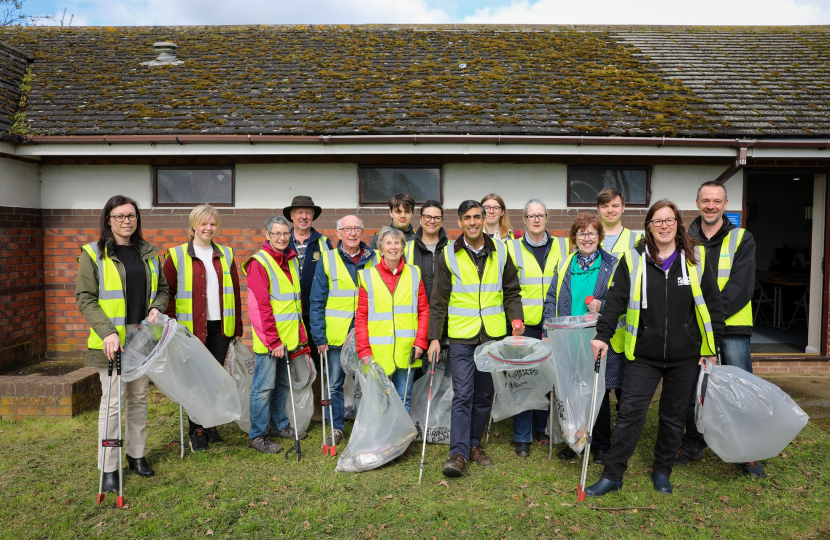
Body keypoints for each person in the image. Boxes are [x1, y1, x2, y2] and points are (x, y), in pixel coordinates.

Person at [585, 199, 725, 497]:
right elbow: (615, 302)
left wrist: (711, 346)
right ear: (648, 226)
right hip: (643, 356)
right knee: (630, 415)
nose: (664, 225)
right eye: (657, 221)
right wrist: (602, 336)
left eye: (669, 220)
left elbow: (712, 305)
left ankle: (662, 470)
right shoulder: (633, 259)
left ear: (677, 224)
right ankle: (613, 474)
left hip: (685, 356)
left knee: (672, 417)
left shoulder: (695, 258)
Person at [76, 195, 169, 493]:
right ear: (108, 220)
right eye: (119, 216)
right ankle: (109, 467)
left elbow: (163, 290)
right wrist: (107, 332)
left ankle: (136, 455)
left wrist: (157, 307)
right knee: (113, 402)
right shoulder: (93, 254)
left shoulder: (150, 253)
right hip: (111, 338)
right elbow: (85, 298)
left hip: (142, 336)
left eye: (131, 215)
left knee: (139, 398)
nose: (126, 221)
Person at [428, 200, 524, 478]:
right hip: (460, 337)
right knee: (463, 394)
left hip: (492, 335)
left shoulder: (502, 252)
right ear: (459, 222)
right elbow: (438, 302)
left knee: (484, 395)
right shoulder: (448, 255)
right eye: (467, 218)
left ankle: (473, 445)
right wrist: (435, 338)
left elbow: (512, 291)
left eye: (477, 217)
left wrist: (516, 317)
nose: (472, 222)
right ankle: (457, 454)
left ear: (484, 220)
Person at [677, 181, 763, 478]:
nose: (711, 205)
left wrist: (712, 322)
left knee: (741, 389)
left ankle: (749, 453)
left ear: (726, 204)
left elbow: (741, 287)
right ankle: (692, 444)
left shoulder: (742, 238)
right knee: (693, 389)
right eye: (705, 200)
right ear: (697, 203)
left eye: (717, 201)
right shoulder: (684, 239)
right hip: (695, 328)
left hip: (733, 327)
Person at [163, 204, 243, 451]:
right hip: (190, 330)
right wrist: (171, 329)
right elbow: (167, 294)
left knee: (215, 379)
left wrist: (237, 326)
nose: (208, 228)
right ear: (193, 225)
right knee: (194, 381)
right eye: (203, 223)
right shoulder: (176, 255)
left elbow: (235, 292)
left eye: (213, 223)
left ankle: (211, 426)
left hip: (220, 327)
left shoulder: (226, 254)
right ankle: (196, 429)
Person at [540, 212, 617, 463]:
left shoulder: (612, 265)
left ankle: (601, 445)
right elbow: (551, 299)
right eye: (582, 233)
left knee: (597, 391)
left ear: (599, 236)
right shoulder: (564, 264)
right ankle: (574, 441)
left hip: (597, 339)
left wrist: (601, 305)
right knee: (570, 391)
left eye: (592, 233)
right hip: (567, 340)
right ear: (574, 237)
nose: (586, 238)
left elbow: (621, 301)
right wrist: (547, 332)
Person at [505, 199, 570, 457]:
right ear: (524, 219)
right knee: (523, 381)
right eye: (531, 216)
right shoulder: (512, 247)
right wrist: (515, 321)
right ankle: (522, 437)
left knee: (546, 379)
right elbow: (509, 288)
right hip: (524, 325)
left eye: (540, 215)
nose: (536, 219)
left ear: (546, 218)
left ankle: (540, 429)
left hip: (553, 324)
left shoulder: (563, 246)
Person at [242, 215, 309, 454]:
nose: (282, 238)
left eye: (285, 233)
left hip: (288, 339)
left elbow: (292, 303)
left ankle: (278, 425)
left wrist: (298, 337)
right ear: (267, 236)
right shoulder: (259, 263)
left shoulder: (289, 259)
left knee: (281, 385)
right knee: (263, 388)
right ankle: (258, 435)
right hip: (271, 341)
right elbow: (260, 307)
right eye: (276, 234)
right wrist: (273, 341)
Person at [310, 215, 378, 448]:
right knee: (335, 385)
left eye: (356, 228)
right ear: (338, 233)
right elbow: (317, 300)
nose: (352, 233)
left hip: (367, 335)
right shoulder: (327, 259)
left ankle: (365, 428)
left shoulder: (374, 259)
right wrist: (319, 336)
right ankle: (336, 428)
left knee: (366, 384)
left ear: (362, 232)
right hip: (336, 336)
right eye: (347, 229)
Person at [355, 227, 429, 416]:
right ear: (380, 249)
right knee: (380, 401)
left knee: (404, 398)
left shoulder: (414, 273)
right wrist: (363, 350)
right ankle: (382, 444)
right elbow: (361, 317)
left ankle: (401, 444)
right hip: (377, 354)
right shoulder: (367, 276)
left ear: (403, 248)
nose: (393, 247)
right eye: (388, 243)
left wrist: (420, 342)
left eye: (397, 243)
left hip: (408, 351)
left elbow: (423, 311)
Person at [403, 200, 450, 380]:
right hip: (413, 326)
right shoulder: (406, 248)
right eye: (428, 216)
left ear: (442, 220)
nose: (432, 221)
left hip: (446, 326)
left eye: (436, 217)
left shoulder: (452, 249)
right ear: (420, 219)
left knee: (444, 387)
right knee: (412, 384)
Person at [597, 188, 643, 257]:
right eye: (604, 206)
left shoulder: (638, 239)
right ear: (598, 210)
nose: (610, 210)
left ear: (623, 208)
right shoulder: (585, 238)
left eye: (615, 206)